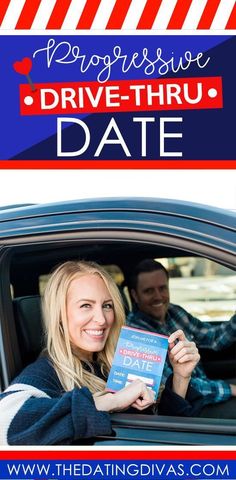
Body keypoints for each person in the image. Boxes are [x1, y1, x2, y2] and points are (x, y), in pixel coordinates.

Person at [0, 260, 202, 445]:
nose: (102, 319)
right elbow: (4, 421)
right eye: (86, 306)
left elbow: (165, 434)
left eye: (107, 306)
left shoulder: (121, 361)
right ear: (60, 315)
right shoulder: (47, 372)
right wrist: (111, 401)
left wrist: (181, 376)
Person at [126, 259, 236, 418]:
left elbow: (212, 338)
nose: (158, 296)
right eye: (149, 291)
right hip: (185, 409)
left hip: (205, 393)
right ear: (135, 295)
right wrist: (230, 389)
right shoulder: (136, 336)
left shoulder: (174, 312)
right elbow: (172, 386)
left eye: (162, 288)